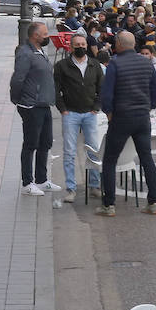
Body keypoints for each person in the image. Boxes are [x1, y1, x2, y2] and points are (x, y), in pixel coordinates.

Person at [97, 30, 156, 216]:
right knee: (146, 158)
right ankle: (154, 202)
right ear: (133, 44)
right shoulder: (146, 62)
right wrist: (149, 106)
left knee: (110, 160)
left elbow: (107, 94)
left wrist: (108, 113)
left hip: (121, 117)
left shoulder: (115, 64)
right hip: (142, 117)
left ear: (118, 44)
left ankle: (109, 205)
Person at [52, 32, 103, 202]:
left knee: (94, 150)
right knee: (69, 152)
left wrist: (96, 107)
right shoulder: (61, 66)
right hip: (70, 113)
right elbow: (55, 89)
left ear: (87, 46)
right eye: (77, 45)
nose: (80, 47)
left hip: (90, 113)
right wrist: (63, 109)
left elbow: (102, 89)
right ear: (71, 47)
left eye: (83, 44)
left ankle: (95, 185)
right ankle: (71, 189)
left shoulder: (95, 65)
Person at [10, 21, 59, 196]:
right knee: (31, 144)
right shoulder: (25, 53)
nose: (48, 36)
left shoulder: (39, 51)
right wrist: (18, 100)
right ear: (35, 35)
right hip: (31, 105)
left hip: (44, 104)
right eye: (45, 34)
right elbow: (18, 79)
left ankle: (41, 179)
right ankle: (27, 183)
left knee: (45, 142)